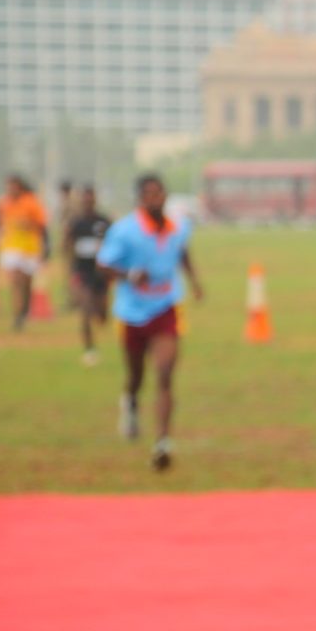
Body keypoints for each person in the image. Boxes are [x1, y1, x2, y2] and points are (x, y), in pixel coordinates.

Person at [97, 173, 204, 472]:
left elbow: (181, 251)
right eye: (150, 194)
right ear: (140, 198)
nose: (156, 198)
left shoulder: (179, 226)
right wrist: (130, 276)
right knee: (136, 375)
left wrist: (194, 281)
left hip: (166, 307)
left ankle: (163, 441)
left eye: (160, 193)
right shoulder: (125, 231)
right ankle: (130, 403)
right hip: (132, 312)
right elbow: (103, 265)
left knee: (166, 373)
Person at [63, 184, 112, 366]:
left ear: (95, 200)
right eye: (85, 199)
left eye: (91, 198)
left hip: (101, 272)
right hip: (82, 271)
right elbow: (67, 242)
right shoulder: (76, 222)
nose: (88, 202)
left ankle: (101, 315)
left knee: (101, 314)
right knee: (85, 309)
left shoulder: (103, 221)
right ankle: (90, 349)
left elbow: (113, 243)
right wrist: (70, 264)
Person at [0, 175, 50, 331]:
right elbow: (0, 222)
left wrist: (45, 248)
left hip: (30, 248)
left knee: (26, 283)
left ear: (20, 187)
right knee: (15, 281)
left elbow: (42, 225)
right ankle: (17, 315)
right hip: (11, 247)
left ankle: (24, 310)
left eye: (13, 186)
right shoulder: (3, 203)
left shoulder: (31, 202)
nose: (10, 190)